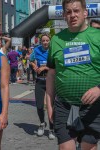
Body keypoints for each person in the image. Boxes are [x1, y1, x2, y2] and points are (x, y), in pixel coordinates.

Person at [46, 0, 100, 149]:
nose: (72, 15)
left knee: (88, 147)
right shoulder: (56, 40)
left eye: (76, 11)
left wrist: (98, 89)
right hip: (64, 105)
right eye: (68, 12)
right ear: (63, 15)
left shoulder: (98, 36)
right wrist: (49, 105)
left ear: (85, 13)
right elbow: (51, 74)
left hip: (94, 107)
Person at [31, 33, 55, 140]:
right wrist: (34, 65)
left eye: (47, 40)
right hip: (40, 81)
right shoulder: (36, 50)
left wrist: (45, 67)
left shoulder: (53, 50)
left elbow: (58, 66)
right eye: (43, 41)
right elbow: (31, 60)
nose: (45, 42)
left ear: (50, 41)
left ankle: (51, 129)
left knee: (51, 106)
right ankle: (42, 123)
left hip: (51, 81)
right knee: (39, 105)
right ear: (41, 42)